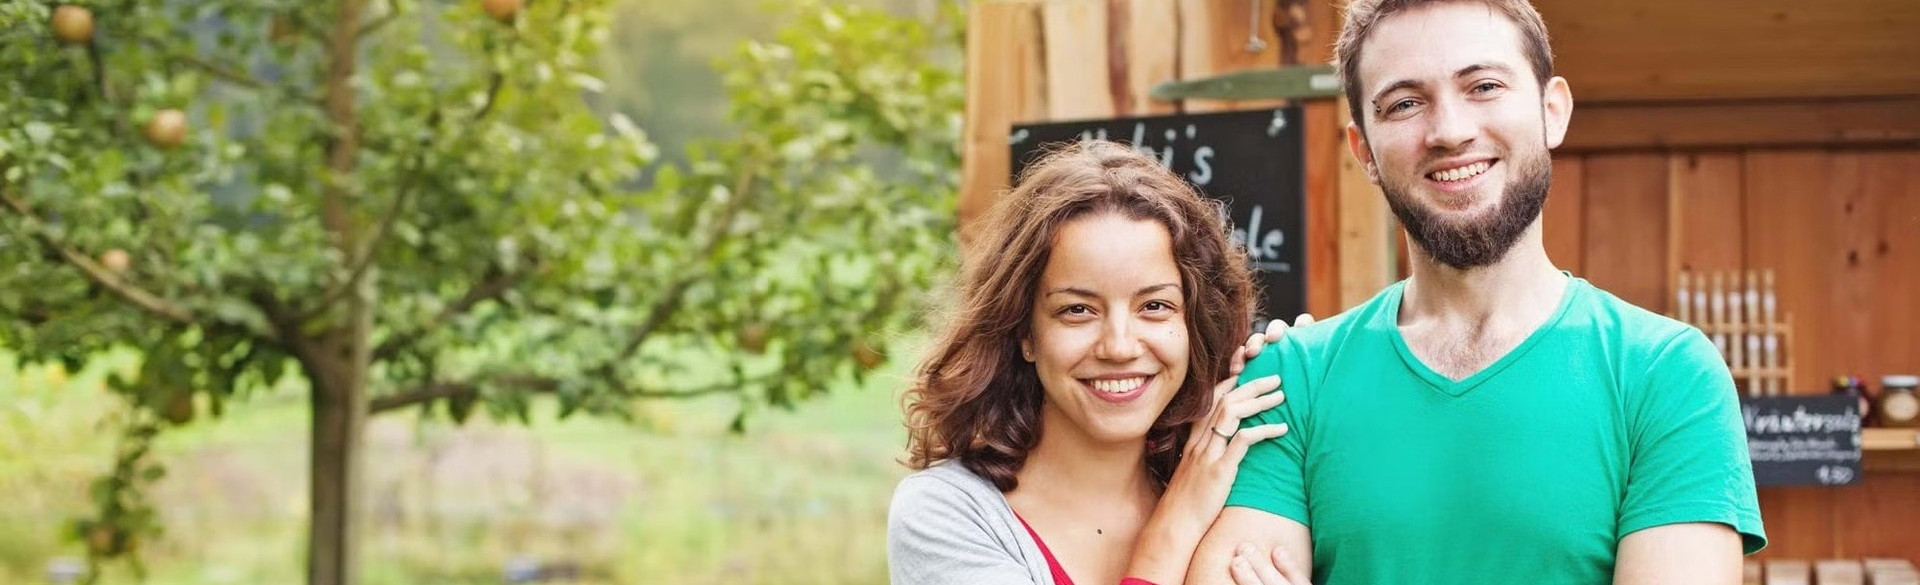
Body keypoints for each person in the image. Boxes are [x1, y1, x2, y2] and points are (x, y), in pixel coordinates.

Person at [1188, 1, 1767, 584]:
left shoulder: (1665, 374)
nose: (1450, 131)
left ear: (1552, 110)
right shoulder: (1291, 380)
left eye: (1484, 86)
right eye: (1405, 104)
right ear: (1363, 149)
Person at [887, 140, 1309, 585]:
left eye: (1155, 306)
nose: (1120, 347)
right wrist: (1174, 526)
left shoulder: (1237, 482)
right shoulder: (946, 515)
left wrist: (1303, 377)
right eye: (1077, 310)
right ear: (1025, 333)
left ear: (1194, 324)